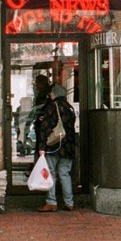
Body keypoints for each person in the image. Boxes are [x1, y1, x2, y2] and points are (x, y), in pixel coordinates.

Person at [35, 84, 78, 212]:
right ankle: (69, 202)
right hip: (68, 146)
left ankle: (51, 202)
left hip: (54, 145)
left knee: (51, 173)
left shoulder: (52, 106)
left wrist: (41, 147)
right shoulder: (70, 108)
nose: (50, 95)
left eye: (51, 93)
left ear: (54, 94)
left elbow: (46, 127)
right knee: (65, 173)